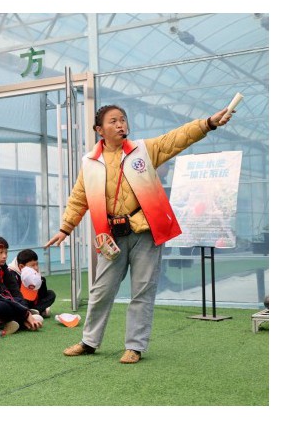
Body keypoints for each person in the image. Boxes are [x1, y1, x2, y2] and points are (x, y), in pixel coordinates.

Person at [44, 104, 234, 364]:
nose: (120, 124)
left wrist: (208, 123)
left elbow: (176, 139)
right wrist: (65, 228)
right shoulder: (90, 162)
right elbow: (79, 197)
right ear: (100, 130)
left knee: (142, 290)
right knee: (101, 290)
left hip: (146, 232)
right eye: (113, 121)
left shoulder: (143, 150)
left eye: (123, 119)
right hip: (110, 236)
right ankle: (89, 341)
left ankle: (134, 346)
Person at [6, 249, 56, 317]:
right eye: (32, 265)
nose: (36, 268)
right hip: (20, 300)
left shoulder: (35, 273)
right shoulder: (11, 274)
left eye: (37, 264)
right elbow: (15, 295)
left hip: (32, 300)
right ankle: (32, 312)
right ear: (21, 266)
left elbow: (42, 295)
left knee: (51, 294)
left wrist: (41, 281)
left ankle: (35, 310)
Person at [0, 236, 27, 306]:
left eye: (6, 253)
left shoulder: (4, 268)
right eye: (0, 252)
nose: (4, 256)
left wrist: (23, 304)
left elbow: (13, 288)